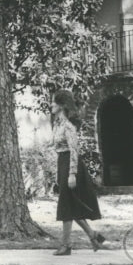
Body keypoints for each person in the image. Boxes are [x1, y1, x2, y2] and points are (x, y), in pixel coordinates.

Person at [51, 90, 106, 255]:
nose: (51, 105)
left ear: (61, 106)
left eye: (54, 102)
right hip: (62, 163)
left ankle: (66, 245)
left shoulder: (68, 126)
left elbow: (74, 150)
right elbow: (58, 147)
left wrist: (72, 174)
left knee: (66, 204)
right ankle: (93, 235)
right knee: (71, 204)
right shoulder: (57, 124)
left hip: (71, 165)